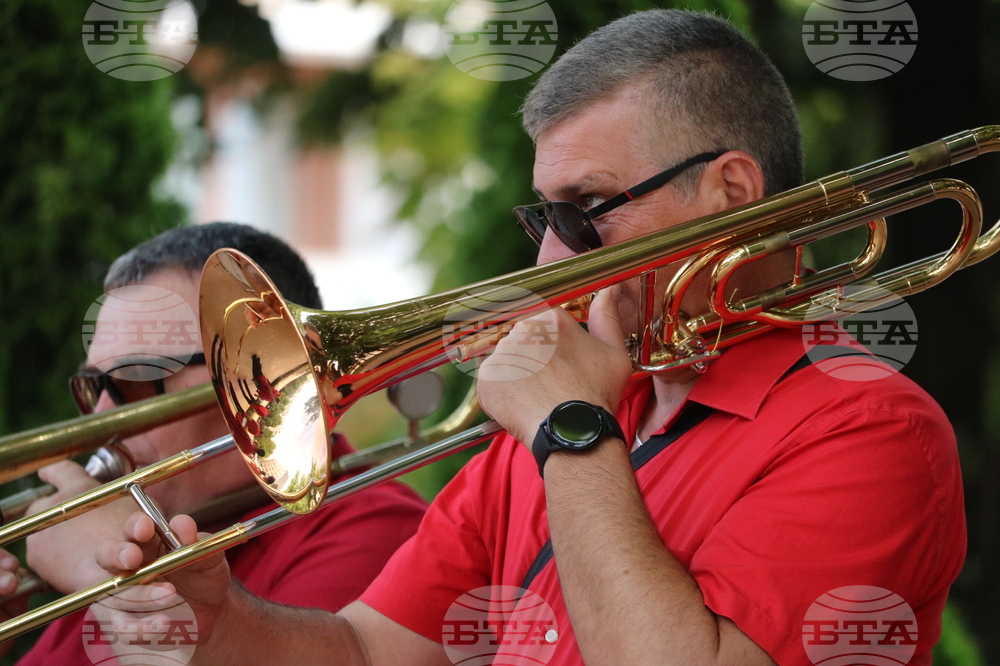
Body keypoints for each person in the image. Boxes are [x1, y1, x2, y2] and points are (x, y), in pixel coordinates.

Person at [92, 10, 965, 666]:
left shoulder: (871, 427)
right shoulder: (565, 409)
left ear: (732, 191)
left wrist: (573, 435)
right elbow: (366, 651)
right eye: (542, 215)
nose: (552, 254)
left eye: (585, 212)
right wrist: (221, 621)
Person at [0, 222, 428, 664]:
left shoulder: (373, 525)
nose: (101, 415)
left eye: (137, 380)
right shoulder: (142, 520)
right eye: (92, 387)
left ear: (271, 380)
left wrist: (126, 574)